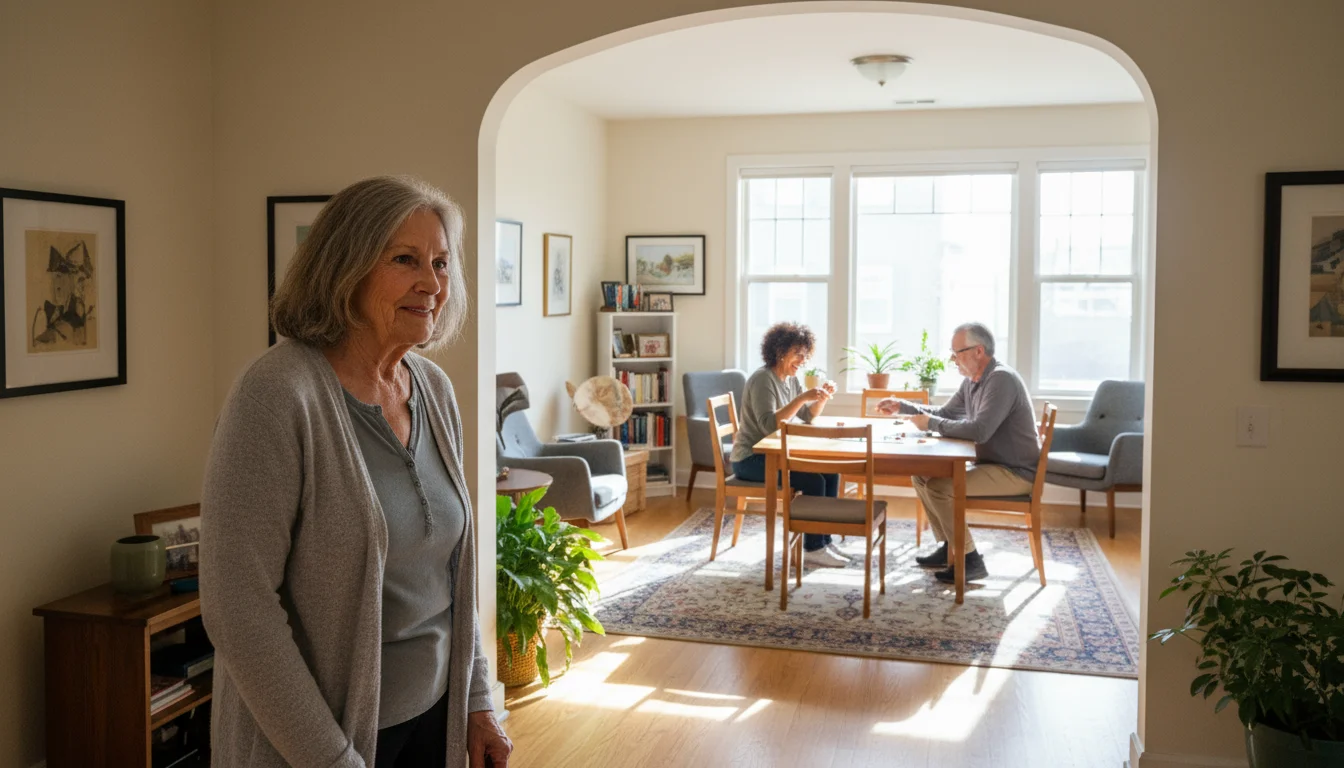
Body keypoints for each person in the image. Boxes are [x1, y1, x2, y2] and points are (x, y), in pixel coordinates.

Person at [201, 176, 512, 768]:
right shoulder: (276, 393)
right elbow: (237, 607)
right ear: (345, 269)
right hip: (316, 744)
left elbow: (449, 576)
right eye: (405, 259)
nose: (433, 283)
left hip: (432, 722)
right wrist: (331, 758)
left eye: (442, 263)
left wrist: (475, 699)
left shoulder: (433, 389)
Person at [876, 322, 1039, 584]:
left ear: (978, 351)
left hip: (1014, 471)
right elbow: (946, 414)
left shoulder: (1001, 379)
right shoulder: (973, 381)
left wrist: (928, 424)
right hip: (992, 464)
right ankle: (949, 546)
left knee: (940, 487)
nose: (953, 359)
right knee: (921, 475)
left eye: (957, 352)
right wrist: (903, 406)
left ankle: (970, 559)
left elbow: (980, 431)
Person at [729, 322, 850, 567]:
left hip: (774, 456)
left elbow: (807, 416)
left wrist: (821, 399)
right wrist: (803, 397)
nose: (802, 360)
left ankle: (823, 540)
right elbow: (769, 427)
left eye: (805, 355)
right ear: (780, 351)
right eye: (798, 354)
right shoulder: (763, 379)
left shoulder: (789, 379)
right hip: (750, 459)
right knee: (814, 480)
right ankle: (812, 548)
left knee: (830, 471)